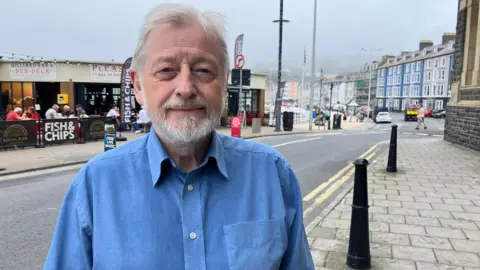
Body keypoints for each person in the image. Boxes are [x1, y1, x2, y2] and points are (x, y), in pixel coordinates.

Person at [43, 4, 314, 270]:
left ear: (224, 83)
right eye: (166, 71)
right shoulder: (94, 185)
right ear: (138, 86)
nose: (185, 88)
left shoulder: (272, 175)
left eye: (203, 70)